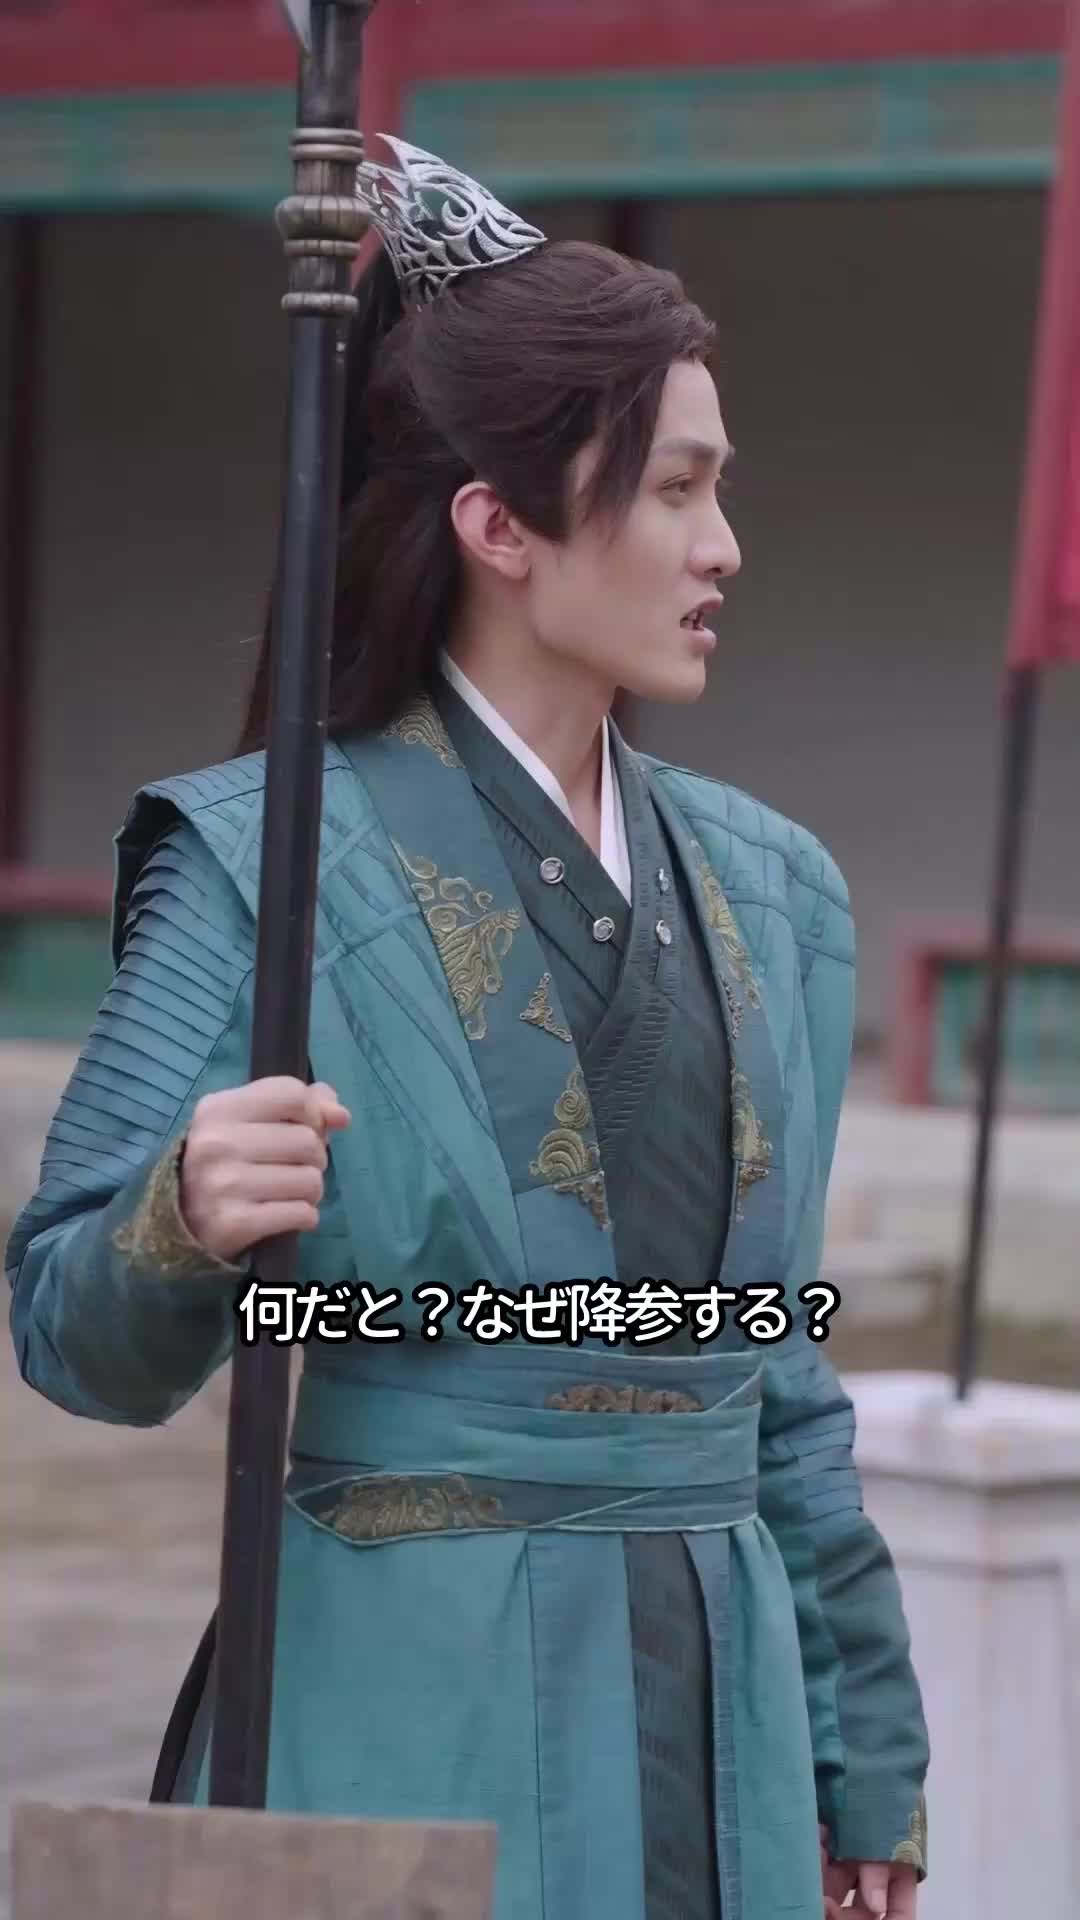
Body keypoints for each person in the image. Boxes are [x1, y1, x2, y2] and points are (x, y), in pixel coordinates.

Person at [6, 139, 928, 1920]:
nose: (723, 546)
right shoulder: (262, 858)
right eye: (675, 491)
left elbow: (780, 1380)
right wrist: (179, 1218)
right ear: (499, 527)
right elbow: (67, 1327)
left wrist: (863, 1754)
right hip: (405, 1695)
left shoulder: (778, 890)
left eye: (720, 490)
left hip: (720, 1709)